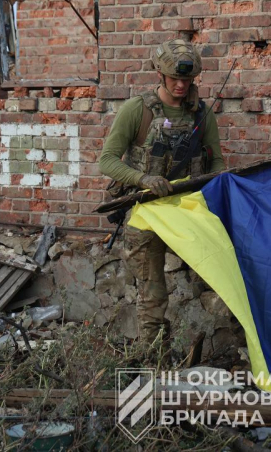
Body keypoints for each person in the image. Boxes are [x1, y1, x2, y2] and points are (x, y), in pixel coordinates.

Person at [99, 39, 225, 345]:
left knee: (219, 278)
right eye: (174, 79)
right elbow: (107, 160)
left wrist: (220, 189)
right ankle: (151, 358)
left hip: (188, 212)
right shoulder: (138, 110)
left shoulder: (201, 114)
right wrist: (142, 178)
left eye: (187, 79)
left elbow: (217, 159)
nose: (181, 85)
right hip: (147, 214)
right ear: (160, 74)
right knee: (152, 293)